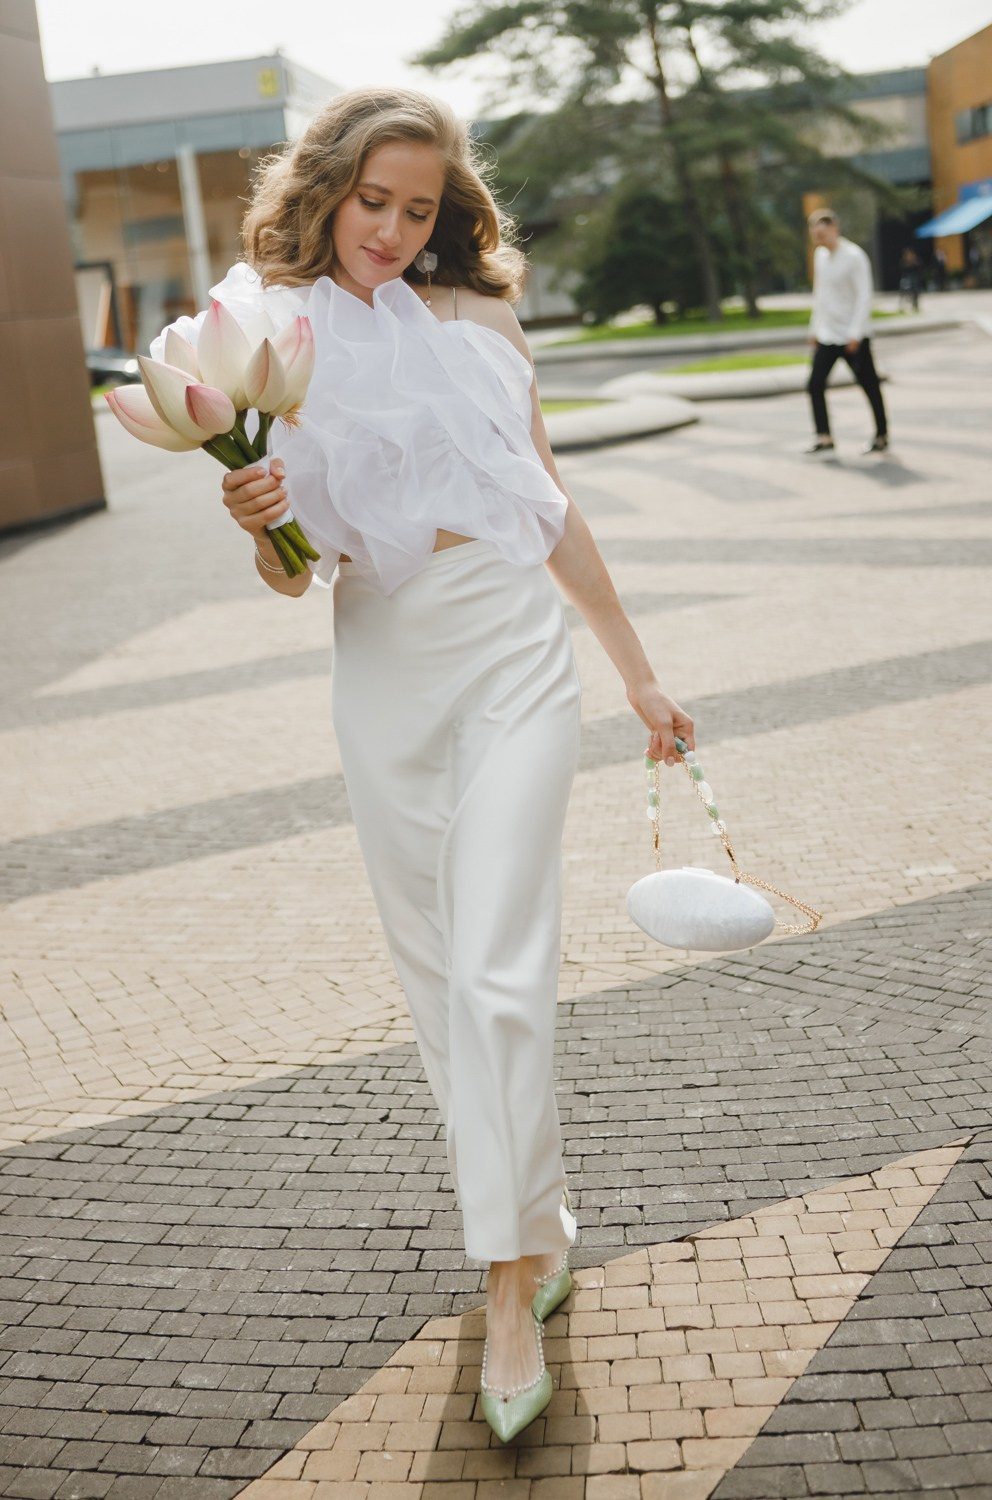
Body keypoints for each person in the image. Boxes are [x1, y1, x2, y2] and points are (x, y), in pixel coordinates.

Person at [155, 89, 694, 1444]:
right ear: (326, 188)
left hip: (512, 638)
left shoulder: (484, 322)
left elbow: (548, 501)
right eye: (373, 201)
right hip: (383, 658)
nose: (394, 229)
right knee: (444, 972)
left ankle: (509, 1287)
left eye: (420, 208)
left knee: (508, 955)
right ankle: (539, 1216)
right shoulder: (270, 333)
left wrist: (634, 668)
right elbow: (295, 579)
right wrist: (258, 516)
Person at [805, 208, 889, 455]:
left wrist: (855, 333)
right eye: (813, 232)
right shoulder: (820, 256)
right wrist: (814, 328)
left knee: (869, 385)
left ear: (835, 228)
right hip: (828, 335)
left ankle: (882, 435)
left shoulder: (854, 256)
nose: (817, 237)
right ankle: (824, 436)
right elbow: (820, 295)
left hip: (853, 336)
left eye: (821, 232)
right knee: (814, 384)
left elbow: (865, 296)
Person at [898, 246, 921, 312]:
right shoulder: (903, 261)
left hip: (914, 280)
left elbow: (919, 269)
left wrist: (913, 262)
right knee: (903, 293)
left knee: (915, 293)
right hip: (906, 280)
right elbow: (902, 270)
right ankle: (903, 306)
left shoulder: (915, 261)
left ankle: (915, 305)